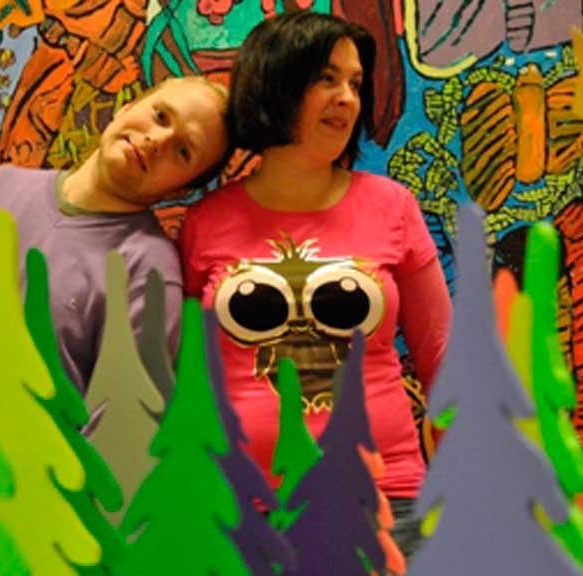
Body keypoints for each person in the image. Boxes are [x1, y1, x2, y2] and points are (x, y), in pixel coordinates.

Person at [178, 12, 451, 556]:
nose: (346, 98)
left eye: (355, 83)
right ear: (275, 83)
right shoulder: (206, 222)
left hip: (385, 502)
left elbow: (443, 357)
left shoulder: (392, 207)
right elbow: (184, 373)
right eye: (327, 78)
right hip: (244, 510)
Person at [0, 75, 231, 391]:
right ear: (126, 107)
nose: (156, 140)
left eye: (183, 151)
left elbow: (121, 425)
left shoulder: (147, 276)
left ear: (181, 191)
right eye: (160, 116)